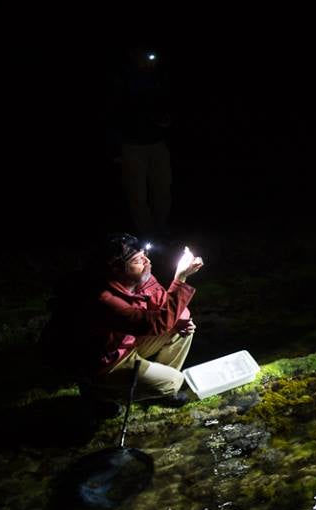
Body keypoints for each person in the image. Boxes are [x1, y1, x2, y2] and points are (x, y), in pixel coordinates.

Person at [83, 233, 204, 407]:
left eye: (145, 255)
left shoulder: (139, 278)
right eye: (138, 260)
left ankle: (157, 388)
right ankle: (99, 392)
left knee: (182, 328)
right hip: (108, 361)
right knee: (175, 381)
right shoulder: (105, 300)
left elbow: (165, 304)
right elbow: (156, 323)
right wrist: (180, 278)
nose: (147, 262)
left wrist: (181, 319)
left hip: (130, 341)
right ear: (117, 269)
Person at [113, 48, 173, 237]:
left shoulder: (158, 80)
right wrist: (116, 148)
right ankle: (146, 234)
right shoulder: (123, 80)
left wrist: (164, 120)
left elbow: (166, 107)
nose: (149, 61)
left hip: (156, 142)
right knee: (137, 195)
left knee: (162, 189)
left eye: (152, 57)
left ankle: (161, 230)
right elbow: (113, 112)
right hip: (132, 145)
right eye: (145, 57)